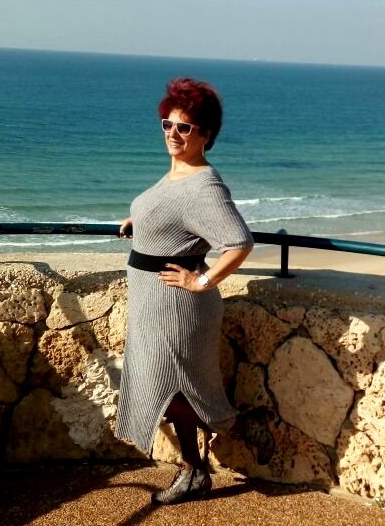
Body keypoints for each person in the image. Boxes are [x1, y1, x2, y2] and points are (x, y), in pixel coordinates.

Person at [115, 77, 272, 505]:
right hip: (153, 303)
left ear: (206, 134)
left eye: (184, 127)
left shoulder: (204, 185)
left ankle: (237, 429)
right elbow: (171, 211)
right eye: (167, 124)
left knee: (166, 391)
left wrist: (201, 281)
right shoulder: (178, 174)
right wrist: (140, 222)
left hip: (179, 305)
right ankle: (193, 471)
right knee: (173, 390)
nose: (173, 133)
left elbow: (238, 242)